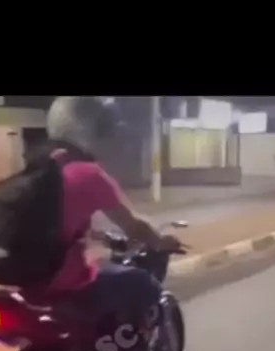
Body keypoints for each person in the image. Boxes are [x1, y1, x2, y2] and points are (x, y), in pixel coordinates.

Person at [25, 96, 183, 331]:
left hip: (27, 280)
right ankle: (127, 350)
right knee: (144, 283)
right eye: (103, 131)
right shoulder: (89, 174)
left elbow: (57, 220)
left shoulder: (39, 168)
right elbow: (134, 226)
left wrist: (97, 235)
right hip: (65, 281)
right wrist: (160, 241)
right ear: (88, 132)